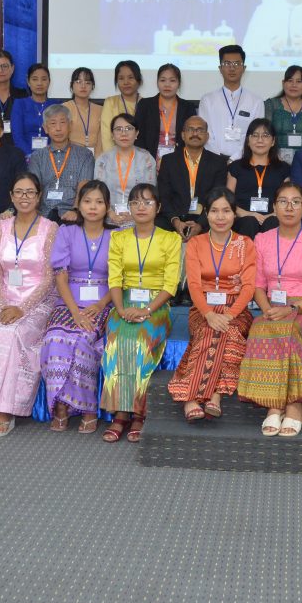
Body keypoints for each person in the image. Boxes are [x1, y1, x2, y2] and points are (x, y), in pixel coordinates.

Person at [239, 181, 302, 437]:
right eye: (283, 202)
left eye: (295, 202)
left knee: (289, 329)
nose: (289, 208)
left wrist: (293, 308)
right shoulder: (262, 239)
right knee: (260, 327)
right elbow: (258, 285)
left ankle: (291, 405)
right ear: (274, 207)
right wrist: (267, 310)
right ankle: (275, 403)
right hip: (273, 308)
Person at [0, 173, 59, 436]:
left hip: (38, 302)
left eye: (30, 192)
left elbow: (49, 278)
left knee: (14, 333)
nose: (25, 197)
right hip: (4, 300)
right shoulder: (1, 227)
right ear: (11, 196)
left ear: (39, 196)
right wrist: (2, 306)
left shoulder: (49, 228)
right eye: (19, 192)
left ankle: (6, 411)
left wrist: (22, 308)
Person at [102, 183, 183, 442]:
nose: (141, 207)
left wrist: (147, 309)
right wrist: (120, 309)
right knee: (118, 340)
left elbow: (170, 285)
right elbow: (115, 278)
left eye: (147, 202)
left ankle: (138, 413)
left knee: (139, 341)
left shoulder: (170, 239)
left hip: (156, 303)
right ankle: (120, 413)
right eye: (135, 202)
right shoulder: (119, 238)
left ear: (158, 208)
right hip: (124, 302)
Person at [169, 189, 256, 421]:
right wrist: (208, 314)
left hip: (235, 309)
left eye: (226, 211)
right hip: (202, 307)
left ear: (234, 214)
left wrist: (229, 315)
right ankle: (197, 397)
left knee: (231, 333)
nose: (220, 217)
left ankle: (210, 395)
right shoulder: (196, 243)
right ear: (206, 214)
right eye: (214, 211)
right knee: (209, 331)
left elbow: (249, 287)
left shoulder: (245, 243)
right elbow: (194, 285)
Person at [40, 181, 115, 433]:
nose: (93, 207)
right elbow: (60, 275)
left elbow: (120, 279)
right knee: (55, 338)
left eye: (99, 202)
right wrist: (74, 312)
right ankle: (60, 406)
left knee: (84, 339)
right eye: (87, 201)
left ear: (107, 207)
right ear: (78, 205)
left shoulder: (116, 236)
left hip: (103, 303)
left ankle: (88, 408)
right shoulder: (66, 232)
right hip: (68, 302)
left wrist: (101, 304)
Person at [156, 116, 228, 239]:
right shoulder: (168, 161)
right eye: (190, 129)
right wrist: (175, 221)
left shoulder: (218, 162)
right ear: (183, 135)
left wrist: (200, 224)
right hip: (174, 217)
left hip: (205, 218)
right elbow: (164, 196)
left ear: (207, 136)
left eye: (200, 130)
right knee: (156, 225)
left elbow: (216, 198)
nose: (195, 133)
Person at [27, 104, 94, 223]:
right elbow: (34, 187)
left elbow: (84, 186)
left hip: (72, 214)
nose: (58, 128)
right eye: (53, 123)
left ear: (70, 125)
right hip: (43, 214)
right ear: (45, 128)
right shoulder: (37, 157)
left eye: (62, 122)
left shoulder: (85, 155)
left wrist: (76, 210)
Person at [225, 118, 290, 240]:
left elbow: (287, 200)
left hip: (273, 217)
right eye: (255, 135)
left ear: (273, 141)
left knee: (273, 222)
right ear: (248, 141)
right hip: (243, 219)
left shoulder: (283, 168)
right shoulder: (236, 167)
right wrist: (249, 214)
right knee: (250, 222)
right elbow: (228, 201)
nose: (260, 140)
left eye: (265, 135)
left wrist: (273, 215)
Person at [197, 44, 264, 158]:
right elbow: (206, 134)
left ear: (244, 68)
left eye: (237, 64)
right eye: (227, 63)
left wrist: (234, 159)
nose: (232, 68)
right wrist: (218, 159)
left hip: (244, 161)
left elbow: (255, 136)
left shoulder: (256, 102)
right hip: (213, 160)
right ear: (220, 68)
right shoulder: (207, 100)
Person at [95, 114, 157, 227]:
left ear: (136, 133)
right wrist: (110, 213)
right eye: (119, 129)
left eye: (129, 128)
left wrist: (134, 214)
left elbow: (150, 193)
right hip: (109, 219)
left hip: (140, 219)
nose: (124, 133)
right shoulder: (103, 160)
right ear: (112, 135)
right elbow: (98, 192)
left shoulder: (146, 159)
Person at [133, 62, 197, 161]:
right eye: (163, 80)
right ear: (157, 82)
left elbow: (192, 138)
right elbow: (138, 136)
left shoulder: (188, 107)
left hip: (179, 161)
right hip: (148, 161)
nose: (167, 85)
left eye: (172, 80)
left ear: (179, 83)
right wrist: (146, 160)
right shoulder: (145, 105)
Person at [265, 65, 302, 164]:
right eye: (290, 80)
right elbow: (266, 134)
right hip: (276, 160)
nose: (294, 85)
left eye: (299, 81)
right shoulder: (271, 104)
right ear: (283, 83)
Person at [10, 62, 61, 153]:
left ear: (49, 82)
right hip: (25, 155)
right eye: (35, 79)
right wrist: (30, 156)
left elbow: (59, 135)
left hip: (51, 155)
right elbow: (17, 136)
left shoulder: (55, 105)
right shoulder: (20, 104)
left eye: (44, 79)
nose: (39, 83)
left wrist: (49, 156)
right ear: (28, 82)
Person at [98, 59, 143, 154]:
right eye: (121, 78)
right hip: (115, 158)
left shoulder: (146, 104)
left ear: (138, 80)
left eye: (131, 77)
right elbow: (107, 137)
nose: (126, 82)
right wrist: (112, 159)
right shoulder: (110, 102)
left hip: (141, 158)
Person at [64, 67, 102, 153]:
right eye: (78, 82)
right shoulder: (64, 108)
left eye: (88, 82)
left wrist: (98, 158)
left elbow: (102, 139)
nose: (83, 86)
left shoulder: (100, 110)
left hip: (96, 156)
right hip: (71, 155)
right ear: (72, 85)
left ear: (93, 86)